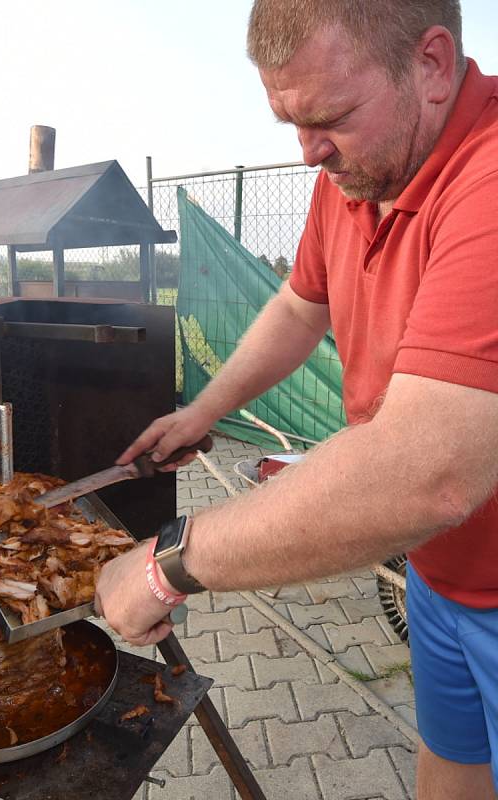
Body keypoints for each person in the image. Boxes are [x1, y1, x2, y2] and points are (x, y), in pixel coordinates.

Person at [94, 2, 498, 798]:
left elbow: (429, 473)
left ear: (433, 64)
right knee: (452, 759)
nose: (310, 151)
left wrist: (165, 566)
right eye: (291, 121)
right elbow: (296, 308)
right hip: (440, 576)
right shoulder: (357, 175)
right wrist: (202, 413)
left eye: (331, 117)